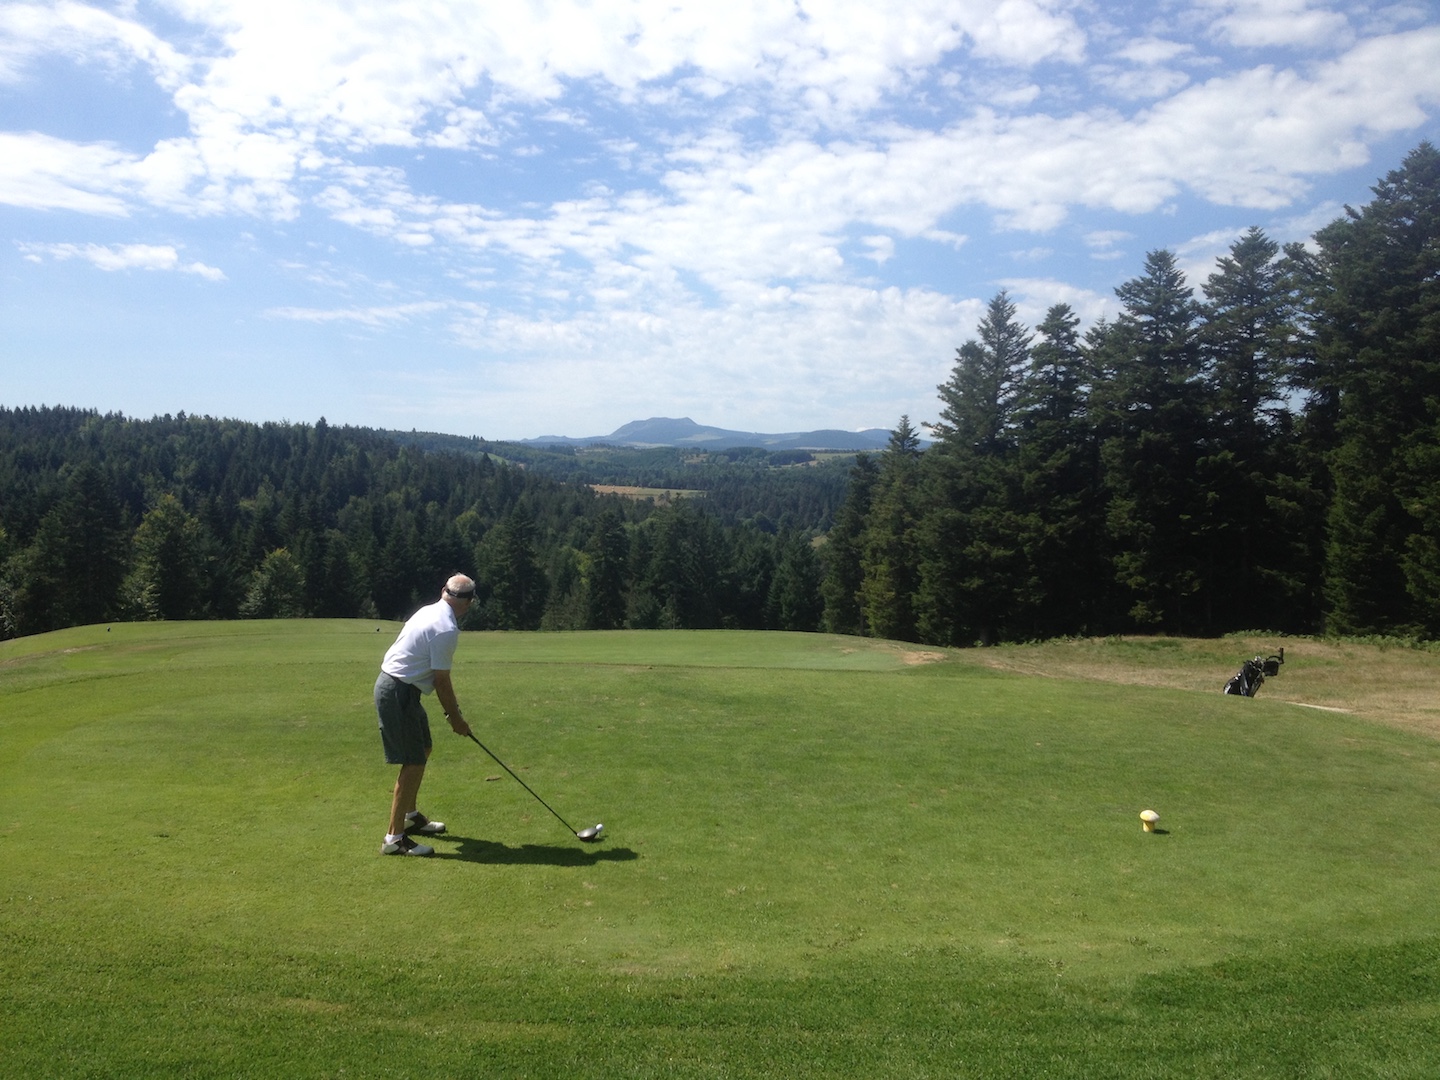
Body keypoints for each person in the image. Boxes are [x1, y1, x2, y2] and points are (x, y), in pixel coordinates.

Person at [373, 574, 476, 855]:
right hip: (398, 692)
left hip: (401, 688)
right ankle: (394, 840)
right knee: (413, 762)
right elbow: (441, 680)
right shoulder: (445, 629)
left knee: (424, 748)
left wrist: (453, 715)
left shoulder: (428, 610)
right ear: (468, 603)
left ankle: (410, 816)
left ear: (444, 591)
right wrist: (456, 718)